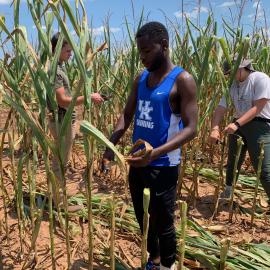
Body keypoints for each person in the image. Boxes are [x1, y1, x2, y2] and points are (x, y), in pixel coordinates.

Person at [102, 22, 197, 270]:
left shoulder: (182, 80)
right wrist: (109, 146)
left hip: (164, 164)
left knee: (163, 220)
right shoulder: (141, 79)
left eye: (147, 51)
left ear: (163, 45)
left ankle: (167, 265)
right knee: (142, 217)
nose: (142, 57)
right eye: (139, 52)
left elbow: (191, 128)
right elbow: (126, 114)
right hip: (138, 162)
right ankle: (153, 259)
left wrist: (155, 153)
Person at [48, 32, 104, 210]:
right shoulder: (55, 71)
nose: (70, 54)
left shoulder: (60, 67)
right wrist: (89, 97)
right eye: (67, 50)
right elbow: (62, 101)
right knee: (60, 162)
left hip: (65, 120)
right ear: (58, 50)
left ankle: (57, 196)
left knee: (61, 161)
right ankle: (59, 204)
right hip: (61, 122)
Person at [209, 54, 270, 202]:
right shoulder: (232, 84)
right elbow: (221, 108)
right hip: (238, 124)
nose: (231, 76)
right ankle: (228, 192)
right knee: (233, 161)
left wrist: (236, 124)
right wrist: (215, 128)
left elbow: (258, 107)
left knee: (264, 169)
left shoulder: (260, 78)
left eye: (232, 72)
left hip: (259, 125)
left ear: (243, 68)